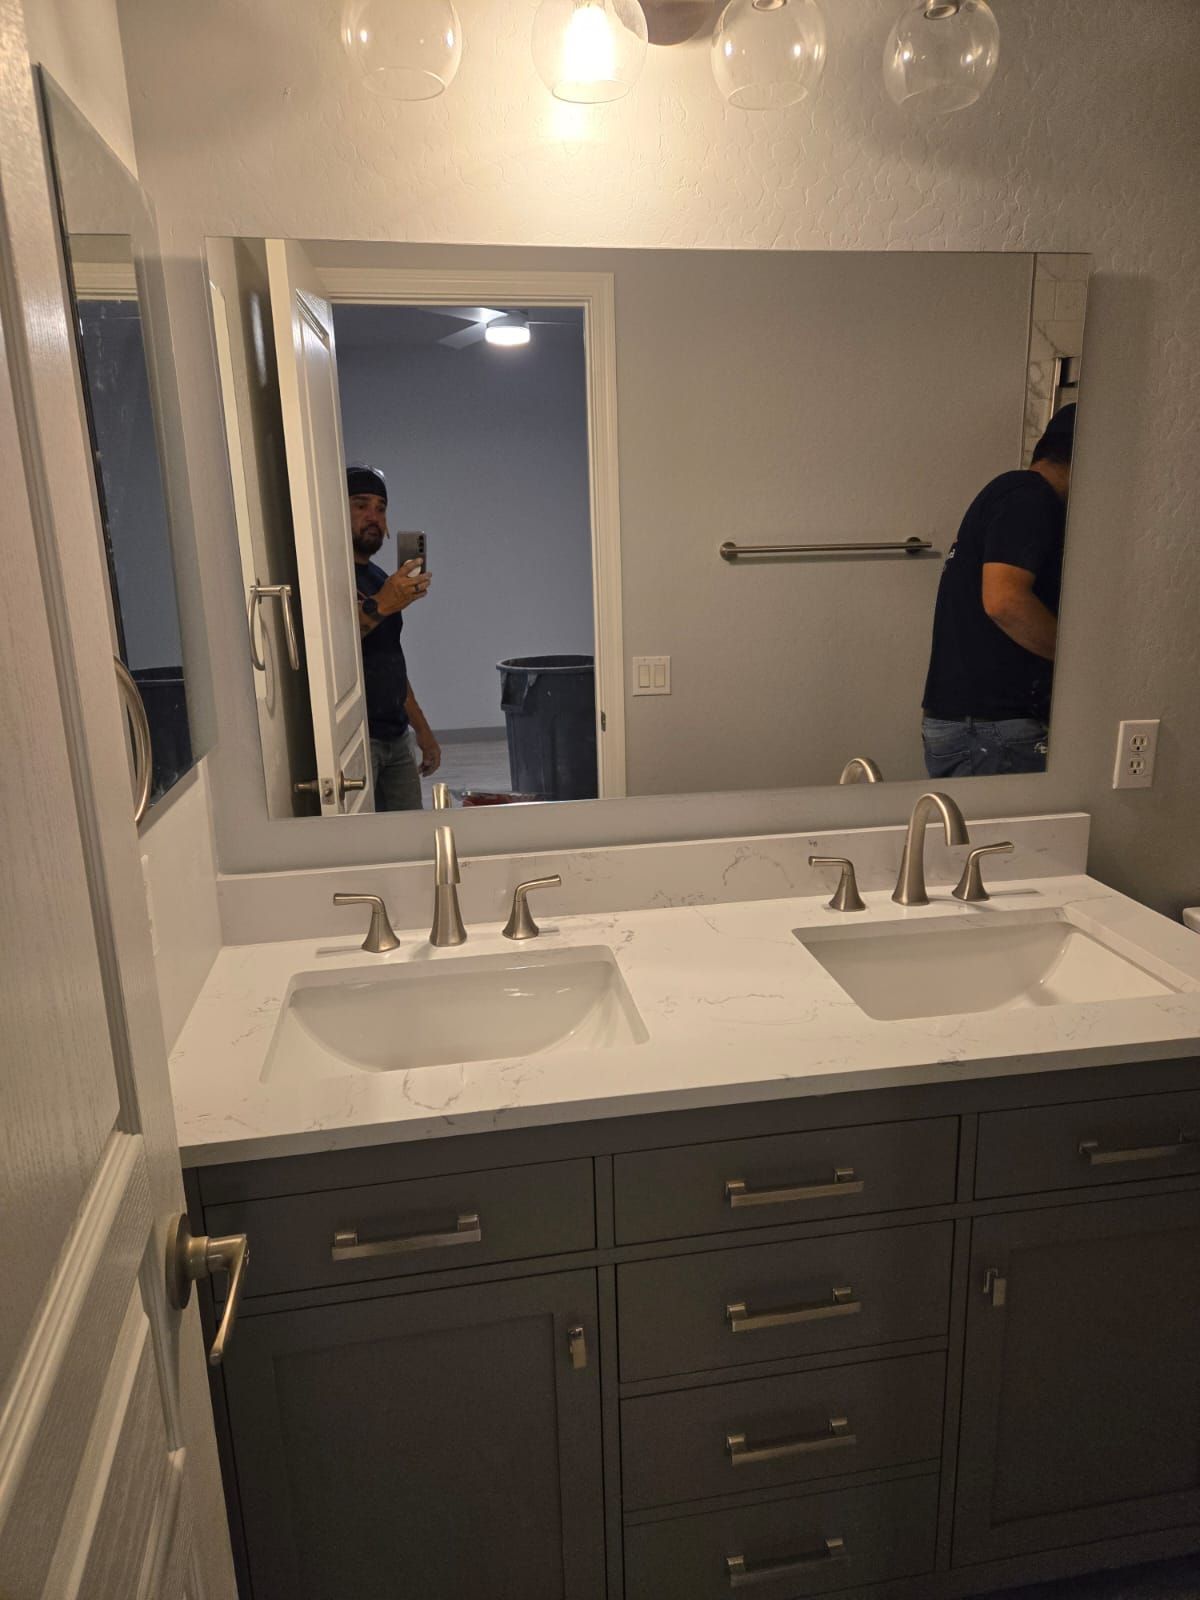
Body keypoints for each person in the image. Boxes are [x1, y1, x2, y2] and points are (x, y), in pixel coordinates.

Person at [921, 405, 1075, 778]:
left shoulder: (1005, 495)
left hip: (970, 725)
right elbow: (1005, 602)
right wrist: (1078, 665)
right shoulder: (1031, 498)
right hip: (992, 729)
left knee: (979, 836)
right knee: (1009, 838)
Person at [346, 463, 441, 809]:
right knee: (362, 846)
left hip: (396, 738)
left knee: (409, 840)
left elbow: (390, 662)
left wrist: (423, 731)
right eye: (360, 505)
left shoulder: (380, 577)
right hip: (356, 742)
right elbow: (333, 650)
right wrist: (384, 603)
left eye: (380, 508)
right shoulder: (330, 578)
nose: (373, 515)